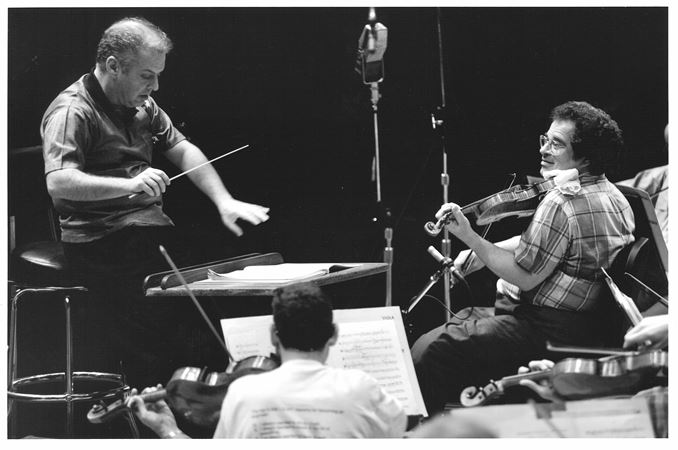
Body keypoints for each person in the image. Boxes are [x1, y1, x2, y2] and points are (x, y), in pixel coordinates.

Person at [40, 17, 270, 387]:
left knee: (211, 285)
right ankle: (158, 404)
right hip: (99, 239)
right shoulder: (72, 110)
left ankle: (206, 397)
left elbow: (182, 148)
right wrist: (128, 185)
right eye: (147, 76)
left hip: (146, 231)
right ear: (113, 65)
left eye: (158, 76)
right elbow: (60, 183)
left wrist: (223, 200)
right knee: (164, 326)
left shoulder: (143, 105)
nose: (155, 86)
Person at [411, 101, 636, 413]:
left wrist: (470, 237)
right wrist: (484, 253)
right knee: (462, 319)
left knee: (430, 349)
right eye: (545, 139)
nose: (544, 149)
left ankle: (425, 429)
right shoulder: (615, 196)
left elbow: (524, 276)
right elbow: (554, 245)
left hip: (544, 328)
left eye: (557, 144)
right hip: (583, 326)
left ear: (586, 157)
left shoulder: (562, 201)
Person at [128, 284, 408, 438]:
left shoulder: (244, 392)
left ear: (274, 334)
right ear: (333, 335)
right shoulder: (363, 389)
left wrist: (168, 430)